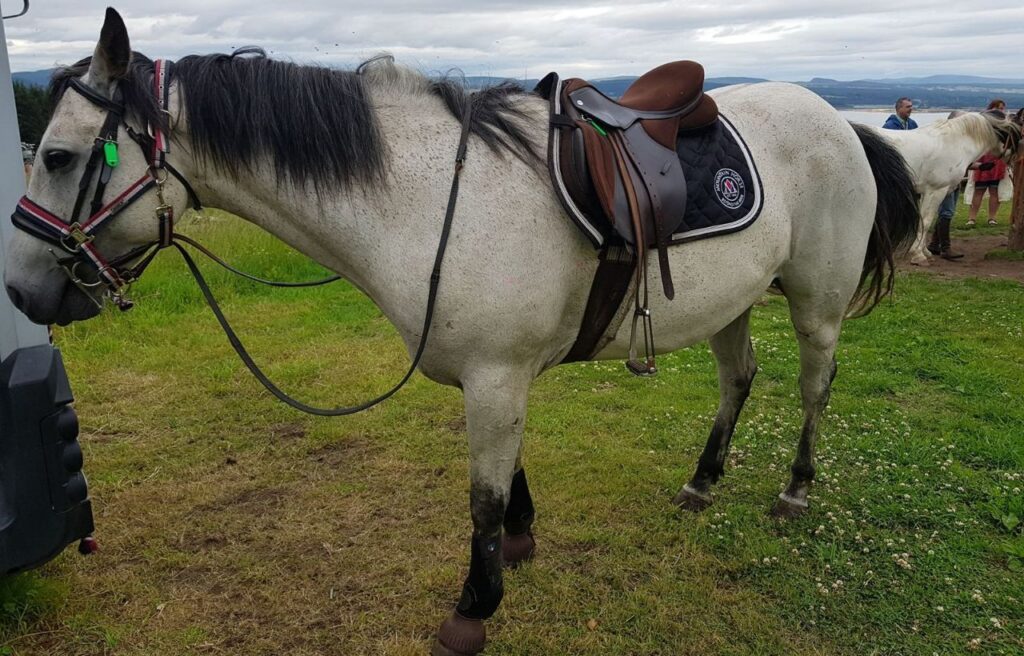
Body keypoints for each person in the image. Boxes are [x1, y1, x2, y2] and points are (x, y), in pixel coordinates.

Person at [965, 101, 1009, 227]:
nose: (1001, 111)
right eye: (998, 108)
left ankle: (992, 218)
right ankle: (972, 218)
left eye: (1002, 109)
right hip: (983, 158)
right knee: (979, 190)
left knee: (994, 190)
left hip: (997, 160)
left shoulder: (1003, 125)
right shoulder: (982, 123)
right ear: (991, 109)